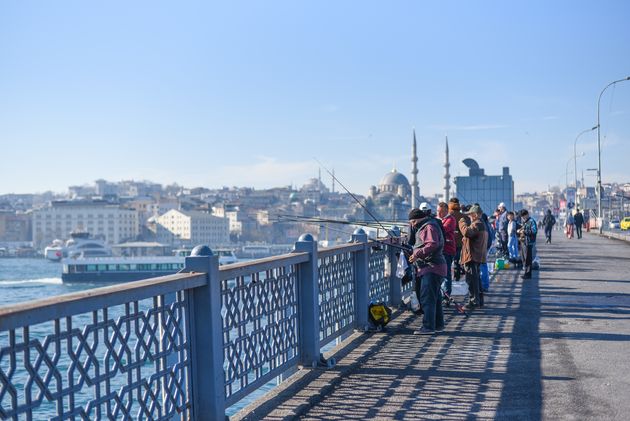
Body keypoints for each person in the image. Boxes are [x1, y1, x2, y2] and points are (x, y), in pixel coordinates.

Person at [408, 206, 447, 335]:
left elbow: (432, 244)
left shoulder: (428, 227)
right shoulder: (430, 224)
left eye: (412, 222)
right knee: (435, 298)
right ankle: (438, 324)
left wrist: (417, 254)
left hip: (432, 267)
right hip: (435, 267)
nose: (412, 226)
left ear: (417, 220)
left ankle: (428, 327)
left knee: (427, 298)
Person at [458, 204, 487, 309]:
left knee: (471, 280)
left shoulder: (477, 224)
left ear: (475, 215)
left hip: (473, 255)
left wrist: (461, 222)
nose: (469, 217)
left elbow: (466, 232)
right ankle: (479, 301)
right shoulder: (482, 224)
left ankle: (474, 301)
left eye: (470, 215)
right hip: (477, 255)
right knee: (476, 279)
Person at [437, 202, 456, 305]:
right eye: (438, 212)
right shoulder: (440, 219)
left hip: (447, 251)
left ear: (446, 210)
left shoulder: (450, 219)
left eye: (441, 212)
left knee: (446, 274)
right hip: (441, 251)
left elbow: (442, 229)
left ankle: (446, 296)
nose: (439, 214)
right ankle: (442, 294)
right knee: (440, 274)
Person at [448, 198, 466, 284]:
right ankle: (457, 278)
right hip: (460, 243)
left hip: (449, 242)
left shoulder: (449, 215)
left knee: (448, 262)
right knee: (457, 262)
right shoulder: (462, 216)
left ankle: (448, 281)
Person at [517, 209, 537, 279]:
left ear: (527, 214)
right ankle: (525, 272)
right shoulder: (525, 222)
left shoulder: (531, 221)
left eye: (523, 216)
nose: (522, 218)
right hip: (523, 242)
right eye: (522, 217)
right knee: (523, 258)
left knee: (528, 258)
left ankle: (528, 274)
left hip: (528, 242)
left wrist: (524, 231)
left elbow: (534, 231)